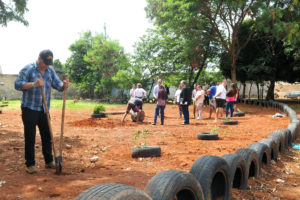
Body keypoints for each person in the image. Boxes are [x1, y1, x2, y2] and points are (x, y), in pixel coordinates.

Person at [14, 50, 70, 174]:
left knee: (47, 135)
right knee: (30, 137)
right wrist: (34, 84)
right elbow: (17, 84)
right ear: (39, 59)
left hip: (44, 109)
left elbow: (57, 83)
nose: (47, 66)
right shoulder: (28, 69)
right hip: (29, 108)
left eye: (49, 63)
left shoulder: (50, 71)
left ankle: (49, 161)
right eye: (45, 62)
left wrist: (63, 85)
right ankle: (30, 165)